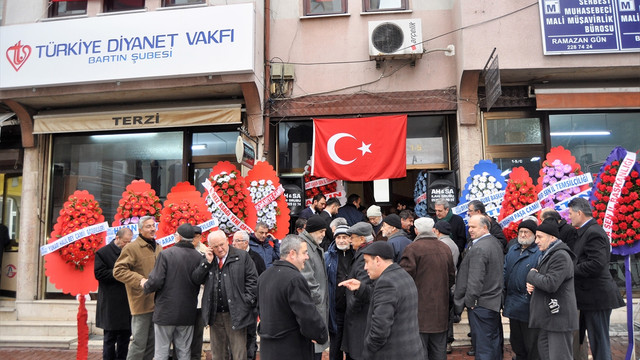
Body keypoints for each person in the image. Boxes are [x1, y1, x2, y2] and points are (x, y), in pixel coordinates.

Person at [341, 241, 424, 359]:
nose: (365, 267)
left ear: (378, 260)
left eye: (367, 262)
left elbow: (379, 331)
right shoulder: (402, 275)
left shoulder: (386, 283)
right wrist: (361, 288)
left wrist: (367, 352)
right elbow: (384, 299)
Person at [568, 198, 624, 360]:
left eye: (571, 213)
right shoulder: (586, 231)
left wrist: (570, 270)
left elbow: (597, 264)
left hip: (597, 297)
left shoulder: (593, 232)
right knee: (596, 341)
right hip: (589, 297)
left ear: (579, 213)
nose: (569, 217)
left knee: (599, 343)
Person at [257, 234, 329, 360]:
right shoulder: (295, 279)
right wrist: (321, 335)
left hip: (268, 349)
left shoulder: (264, 276)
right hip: (292, 350)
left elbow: (261, 311)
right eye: (304, 253)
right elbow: (307, 316)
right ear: (292, 254)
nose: (307, 257)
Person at [192, 230, 258, 360]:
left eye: (222, 244)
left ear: (227, 241)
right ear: (210, 246)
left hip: (237, 314)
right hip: (215, 315)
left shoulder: (242, 256)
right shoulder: (208, 259)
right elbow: (196, 279)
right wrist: (207, 262)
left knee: (239, 353)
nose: (220, 249)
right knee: (218, 354)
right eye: (215, 246)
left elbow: (253, 281)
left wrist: (246, 302)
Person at [141, 223, 202, 360]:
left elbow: (156, 281)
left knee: (161, 353)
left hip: (165, 312)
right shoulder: (199, 257)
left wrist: (145, 285)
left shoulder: (166, 254)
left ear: (178, 237)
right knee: (184, 352)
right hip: (187, 312)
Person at [400, 217, 455, 360]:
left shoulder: (412, 249)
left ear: (416, 230)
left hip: (419, 312)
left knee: (419, 352)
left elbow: (404, 279)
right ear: (432, 230)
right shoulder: (445, 248)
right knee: (438, 351)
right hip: (440, 311)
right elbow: (451, 277)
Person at [454, 214, 504, 360]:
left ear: (485, 227)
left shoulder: (479, 248)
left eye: (473, 227)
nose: (469, 230)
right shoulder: (494, 242)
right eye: (469, 226)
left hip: (481, 304)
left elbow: (475, 280)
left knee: (483, 347)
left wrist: (471, 302)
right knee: (493, 344)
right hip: (492, 302)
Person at [526, 221, 578, 360]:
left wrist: (532, 275)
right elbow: (543, 279)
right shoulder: (547, 254)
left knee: (559, 356)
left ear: (553, 237)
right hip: (548, 318)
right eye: (536, 237)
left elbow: (551, 283)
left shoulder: (560, 255)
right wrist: (533, 284)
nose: (536, 241)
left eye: (540, 237)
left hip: (558, 318)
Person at [113, 216, 162, 360]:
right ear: (140, 230)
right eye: (148, 226)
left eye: (153, 225)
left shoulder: (159, 247)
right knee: (139, 343)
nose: (152, 228)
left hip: (158, 303)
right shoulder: (132, 247)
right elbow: (118, 271)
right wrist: (139, 279)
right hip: (141, 303)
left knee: (152, 344)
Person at [504, 220, 542, 360]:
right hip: (513, 303)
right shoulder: (513, 250)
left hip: (528, 305)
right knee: (517, 341)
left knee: (531, 343)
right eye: (521, 231)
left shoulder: (538, 252)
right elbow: (505, 270)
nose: (523, 234)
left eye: (527, 232)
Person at [95, 228, 133, 360]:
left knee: (125, 337)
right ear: (117, 237)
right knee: (110, 338)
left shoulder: (130, 252)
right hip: (110, 302)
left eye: (129, 242)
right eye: (124, 241)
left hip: (127, 301)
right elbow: (99, 274)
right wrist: (118, 273)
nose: (126, 245)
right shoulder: (103, 252)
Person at [339, 222, 375, 360]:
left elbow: (362, 286)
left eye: (352, 237)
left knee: (357, 353)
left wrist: (351, 307)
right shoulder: (361, 253)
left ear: (362, 239)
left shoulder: (365, 256)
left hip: (360, 316)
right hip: (359, 315)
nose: (349, 240)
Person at [298, 215, 330, 359]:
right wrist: (318, 298)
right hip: (313, 310)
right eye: (321, 231)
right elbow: (308, 280)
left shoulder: (313, 246)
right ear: (312, 231)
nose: (323, 234)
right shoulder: (305, 247)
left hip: (317, 308)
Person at [232, 230, 265, 360]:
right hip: (234, 304)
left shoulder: (256, 258)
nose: (233, 243)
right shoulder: (231, 257)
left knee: (250, 336)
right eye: (233, 241)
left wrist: (252, 300)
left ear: (245, 243)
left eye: (237, 241)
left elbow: (261, 281)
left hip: (251, 305)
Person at [325, 225, 354, 360]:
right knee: (335, 347)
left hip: (352, 310)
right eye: (338, 237)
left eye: (344, 237)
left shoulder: (357, 255)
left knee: (351, 348)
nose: (341, 240)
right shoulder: (328, 257)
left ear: (350, 239)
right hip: (335, 310)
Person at [432, 219, 460, 354]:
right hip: (450, 282)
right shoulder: (452, 243)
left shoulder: (441, 244)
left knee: (446, 316)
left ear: (437, 231)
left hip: (445, 284)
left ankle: (447, 342)